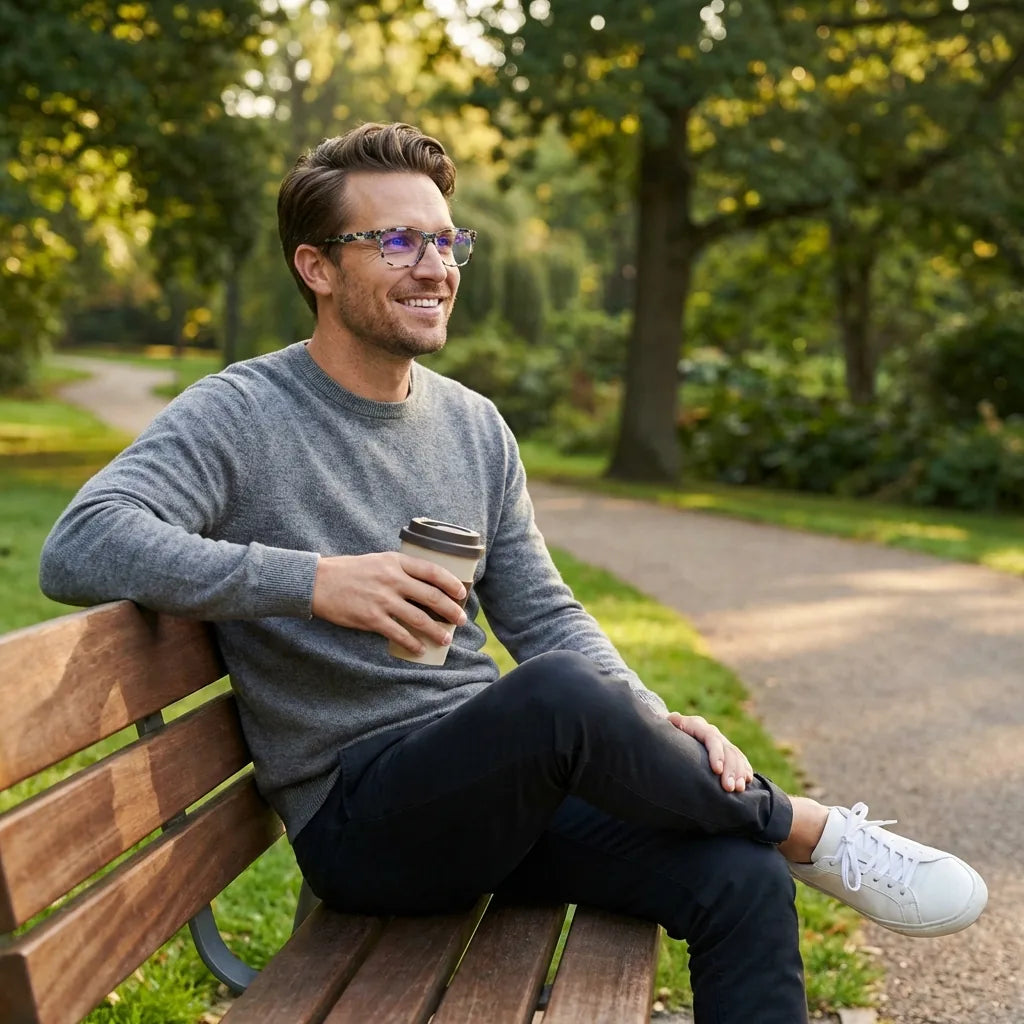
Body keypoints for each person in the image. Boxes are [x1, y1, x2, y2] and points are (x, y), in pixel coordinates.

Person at [38, 122, 987, 1023]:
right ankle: (808, 830)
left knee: (737, 878)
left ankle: (773, 835)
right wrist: (315, 580)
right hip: (364, 821)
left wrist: (653, 722)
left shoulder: (472, 425)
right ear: (317, 268)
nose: (435, 266)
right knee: (558, 697)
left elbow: (545, 613)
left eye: (446, 241)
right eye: (398, 241)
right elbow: (82, 542)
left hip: (502, 794)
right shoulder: (240, 413)